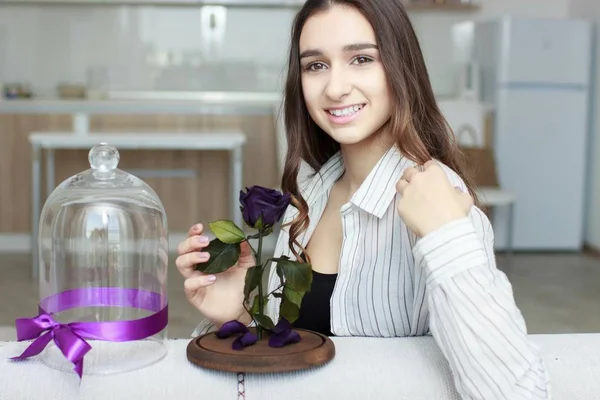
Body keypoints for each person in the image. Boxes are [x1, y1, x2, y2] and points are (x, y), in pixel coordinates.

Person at [176, 0, 550, 398]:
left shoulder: (439, 201)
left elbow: (518, 392)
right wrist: (244, 312)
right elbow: (301, 351)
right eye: (315, 65)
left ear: (400, 67)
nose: (335, 88)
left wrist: (446, 235)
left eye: (361, 59)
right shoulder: (311, 193)